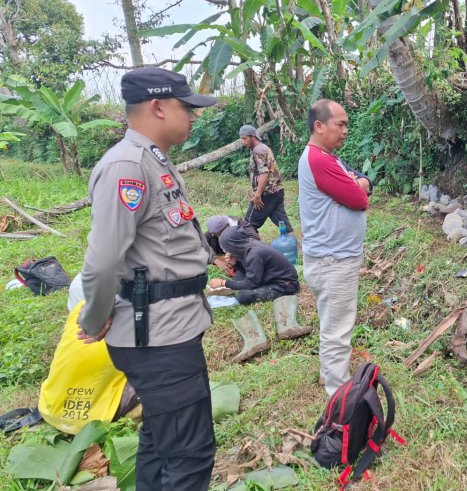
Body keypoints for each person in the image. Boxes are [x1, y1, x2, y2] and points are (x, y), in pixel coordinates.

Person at [77, 67, 217, 490]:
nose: (193, 116)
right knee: (191, 456)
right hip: (158, 341)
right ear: (157, 107)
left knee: (160, 442)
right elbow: (102, 261)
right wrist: (94, 317)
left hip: (166, 333)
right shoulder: (128, 166)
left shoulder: (153, 160)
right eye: (186, 107)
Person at [298, 99, 372, 396]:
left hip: (331, 257)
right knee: (337, 331)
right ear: (319, 126)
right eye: (340, 124)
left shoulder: (329, 157)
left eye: (346, 125)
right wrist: (359, 186)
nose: (345, 131)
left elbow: (363, 182)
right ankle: (339, 397)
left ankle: (330, 375)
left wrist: (360, 183)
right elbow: (360, 198)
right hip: (333, 260)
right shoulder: (320, 160)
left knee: (333, 323)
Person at [208, 225, 311, 361]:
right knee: (239, 278)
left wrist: (224, 283)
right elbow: (245, 272)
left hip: (284, 285)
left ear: (234, 244)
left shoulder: (255, 253)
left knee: (245, 295)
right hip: (267, 277)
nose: (226, 252)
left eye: (227, 248)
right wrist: (235, 263)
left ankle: (282, 329)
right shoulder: (248, 247)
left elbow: (251, 283)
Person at [239, 124, 293, 233]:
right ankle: (294, 245)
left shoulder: (258, 151)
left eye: (245, 139)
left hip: (266, 194)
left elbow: (264, 173)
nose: (243, 142)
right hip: (277, 191)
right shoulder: (263, 148)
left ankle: (254, 248)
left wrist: (258, 194)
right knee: (283, 223)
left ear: (253, 136)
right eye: (242, 139)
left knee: (248, 225)